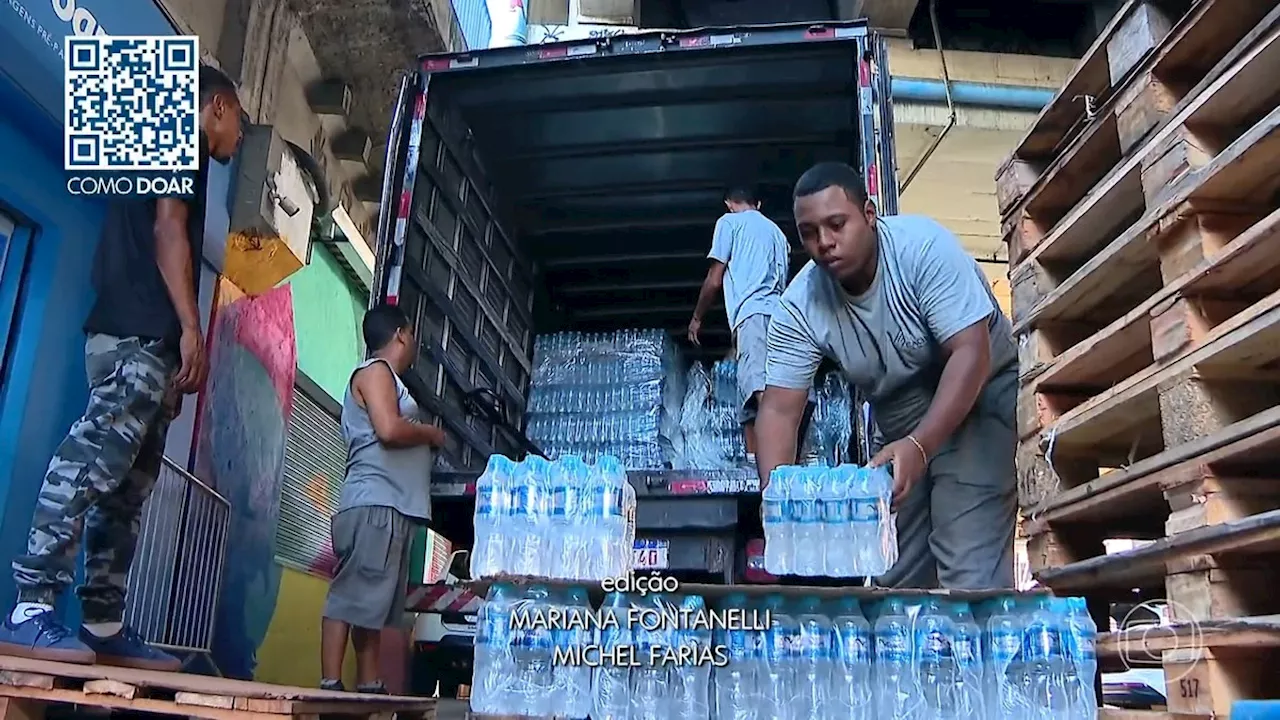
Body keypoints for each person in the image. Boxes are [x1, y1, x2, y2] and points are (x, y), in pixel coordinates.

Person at [0, 65, 243, 668]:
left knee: (126, 488)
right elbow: (168, 228)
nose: (240, 136)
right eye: (240, 120)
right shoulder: (176, 138)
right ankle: (29, 607)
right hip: (136, 335)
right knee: (87, 466)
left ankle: (104, 624)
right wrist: (190, 327)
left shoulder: (149, 141)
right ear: (217, 106)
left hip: (144, 342)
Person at [756, 161, 1018, 590]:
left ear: (870, 214)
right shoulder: (799, 306)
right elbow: (779, 412)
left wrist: (920, 444)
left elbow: (971, 352)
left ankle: (979, 647)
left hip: (976, 390)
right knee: (894, 571)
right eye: (808, 233)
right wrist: (777, 503)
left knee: (967, 558)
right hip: (899, 412)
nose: (824, 242)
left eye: (837, 224)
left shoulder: (923, 249)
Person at [320, 303, 445, 693]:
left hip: (389, 505)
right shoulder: (376, 372)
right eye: (412, 336)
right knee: (351, 594)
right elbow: (389, 430)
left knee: (370, 604)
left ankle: (369, 681)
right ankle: (331, 682)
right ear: (402, 335)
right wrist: (429, 434)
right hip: (373, 503)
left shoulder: (388, 379)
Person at [687, 186, 790, 456]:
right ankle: (770, 463)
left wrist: (697, 318)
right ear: (758, 203)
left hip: (752, 316)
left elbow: (714, 279)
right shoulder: (778, 234)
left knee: (759, 394)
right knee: (774, 392)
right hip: (784, 319)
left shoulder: (729, 223)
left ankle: (774, 466)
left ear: (728, 204)